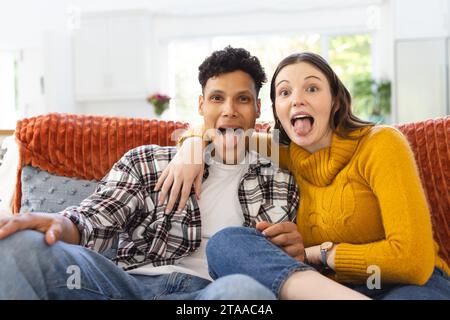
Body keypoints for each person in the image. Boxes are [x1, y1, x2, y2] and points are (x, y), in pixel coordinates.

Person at [0, 47, 290, 300]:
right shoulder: (148, 162)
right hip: (125, 287)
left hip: (212, 292)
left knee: (245, 293)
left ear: (257, 109)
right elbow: (93, 219)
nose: (229, 110)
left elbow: (271, 263)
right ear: (201, 106)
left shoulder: (278, 181)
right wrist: (57, 223)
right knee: (18, 246)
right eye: (217, 98)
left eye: (242, 99)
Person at [159, 52, 450, 300]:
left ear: (335, 100)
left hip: (402, 286)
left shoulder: (380, 143)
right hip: (324, 289)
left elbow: (414, 261)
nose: (297, 100)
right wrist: (191, 149)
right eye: (285, 92)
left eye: (311, 89)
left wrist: (320, 254)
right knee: (227, 243)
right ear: (275, 110)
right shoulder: (285, 152)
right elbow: (223, 129)